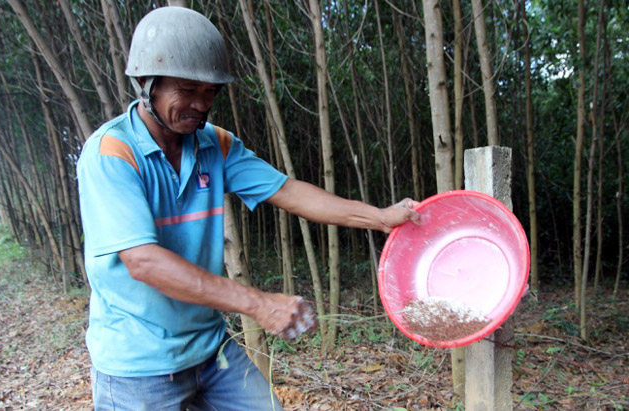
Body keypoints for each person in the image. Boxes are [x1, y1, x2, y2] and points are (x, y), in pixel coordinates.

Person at [77, 6, 420, 411]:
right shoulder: (111, 154)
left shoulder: (213, 143)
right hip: (139, 362)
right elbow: (144, 262)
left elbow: (289, 191)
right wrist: (258, 304)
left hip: (209, 347)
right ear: (145, 83)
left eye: (210, 93)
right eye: (187, 90)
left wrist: (379, 218)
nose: (201, 106)